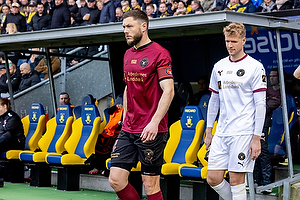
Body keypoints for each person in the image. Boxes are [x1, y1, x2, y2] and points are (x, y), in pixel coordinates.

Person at [108, 9, 174, 200]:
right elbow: (129, 87)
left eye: (129, 26)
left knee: (150, 185)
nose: (125, 31)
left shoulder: (160, 54)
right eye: (123, 27)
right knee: (116, 180)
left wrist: (154, 123)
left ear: (143, 26)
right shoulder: (127, 54)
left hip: (152, 130)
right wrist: (125, 118)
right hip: (129, 129)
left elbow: (168, 90)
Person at [204, 22, 266, 200]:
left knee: (236, 181)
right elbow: (214, 100)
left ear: (243, 41)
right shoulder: (219, 66)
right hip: (222, 131)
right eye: (227, 41)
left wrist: (256, 138)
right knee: (213, 178)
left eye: (234, 41)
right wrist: (209, 131)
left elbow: (260, 104)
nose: (230, 45)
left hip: (243, 131)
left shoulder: (255, 66)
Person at [253, 68, 280, 193]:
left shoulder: (279, 93)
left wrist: (260, 103)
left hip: (264, 125)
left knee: (262, 152)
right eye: (271, 76)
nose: (271, 78)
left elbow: (267, 106)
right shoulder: (265, 90)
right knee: (254, 152)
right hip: (254, 123)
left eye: (274, 76)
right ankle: (256, 181)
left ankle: (267, 184)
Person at [88, 94, 123, 176]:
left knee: (114, 142)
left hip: (121, 134)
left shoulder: (126, 111)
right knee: (101, 138)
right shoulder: (113, 112)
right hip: (110, 133)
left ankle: (108, 168)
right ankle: (98, 166)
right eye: (117, 103)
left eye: (120, 103)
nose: (118, 105)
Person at [0, 98, 25, 187]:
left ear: (5, 106)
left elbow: (6, 133)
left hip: (16, 144)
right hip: (4, 143)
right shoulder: (1, 118)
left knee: (8, 134)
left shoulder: (13, 117)